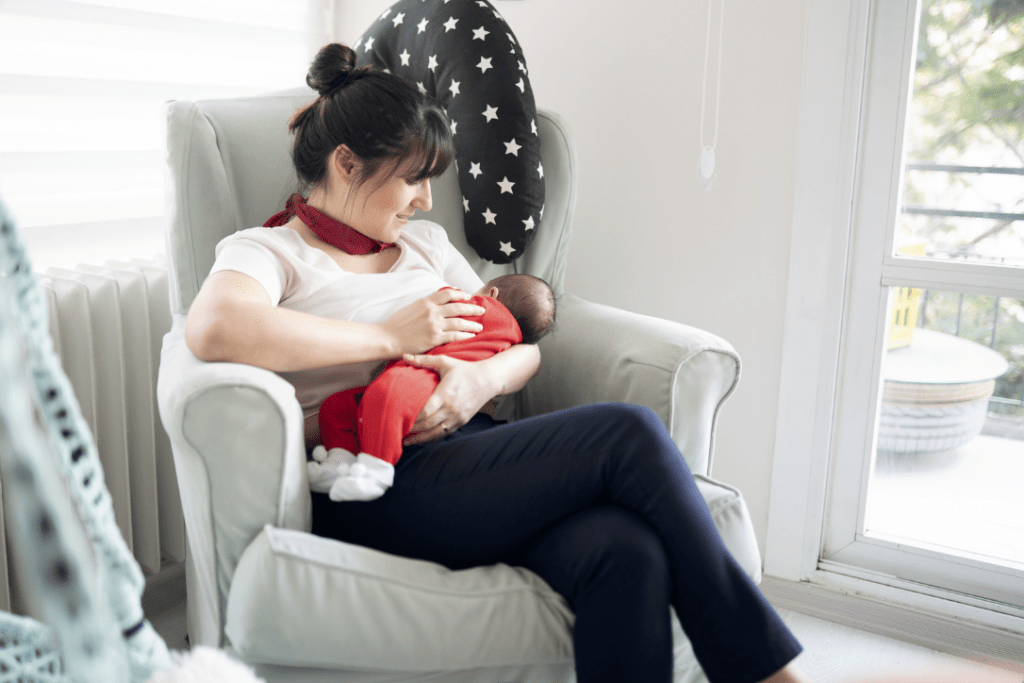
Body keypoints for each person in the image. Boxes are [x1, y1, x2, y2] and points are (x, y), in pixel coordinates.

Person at [184, 42, 813, 683]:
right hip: (377, 475)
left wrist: (477, 380)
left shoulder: (423, 245)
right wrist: (389, 337)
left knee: (626, 552)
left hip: (479, 450)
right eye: (414, 177)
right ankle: (766, 672)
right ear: (347, 164)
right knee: (630, 432)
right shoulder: (269, 250)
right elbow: (215, 328)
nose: (427, 201)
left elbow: (516, 345)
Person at [309, 274, 555, 502]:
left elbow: (445, 304)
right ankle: (341, 462)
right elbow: (530, 352)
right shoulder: (509, 340)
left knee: (385, 392)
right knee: (340, 405)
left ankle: (375, 471)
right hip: (434, 401)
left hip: (428, 379)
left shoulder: (480, 308)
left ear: (491, 294)